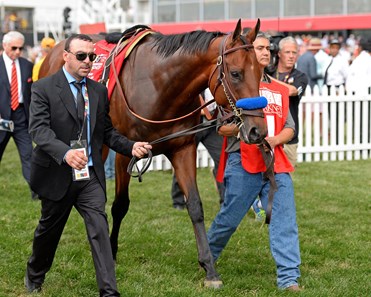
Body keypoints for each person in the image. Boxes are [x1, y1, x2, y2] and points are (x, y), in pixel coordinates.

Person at [24, 34, 152, 296]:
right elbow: (39, 131)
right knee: (49, 231)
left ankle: (109, 291)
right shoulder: (43, 88)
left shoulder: (97, 90)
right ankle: (35, 274)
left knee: (99, 230)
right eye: (81, 56)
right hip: (57, 174)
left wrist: (131, 147)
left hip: (89, 176)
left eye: (92, 56)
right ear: (66, 56)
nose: (88, 61)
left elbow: (106, 132)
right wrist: (65, 153)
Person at [207, 32, 302, 292]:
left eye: (267, 49)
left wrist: (273, 141)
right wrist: (241, 131)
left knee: (285, 220)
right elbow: (220, 127)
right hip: (243, 162)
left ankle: (288, 278)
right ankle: (207, 258)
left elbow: (290, 128)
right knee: (229, 219)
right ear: (249, 53)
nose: (264, 52)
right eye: (259, 48)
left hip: (276, 164)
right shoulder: (235, 88)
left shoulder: (280, 90)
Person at [171, 89, 225, 210]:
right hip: (192, 127)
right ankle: (178, 201)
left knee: (222, 161)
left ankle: (224, 201)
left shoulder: (217, 80)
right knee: (183, 163)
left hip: (212, 127)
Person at [0, 31, 35, 198]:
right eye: (14, 48)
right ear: (4, 45)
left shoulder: (27, 65)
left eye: (21, 48)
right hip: (1, 117)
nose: (18, 51)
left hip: (21, 116)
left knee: (29, 154)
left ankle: (36, 192)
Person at [271, 36, 308, 168]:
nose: (291, 56)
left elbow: (292, 91)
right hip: (269, 134)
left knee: (285, 182)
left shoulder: (300, 76)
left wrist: (267, 80)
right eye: (288, 52)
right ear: (279, 54)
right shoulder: (269, 71)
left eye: (294, 52)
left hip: (289, 137)